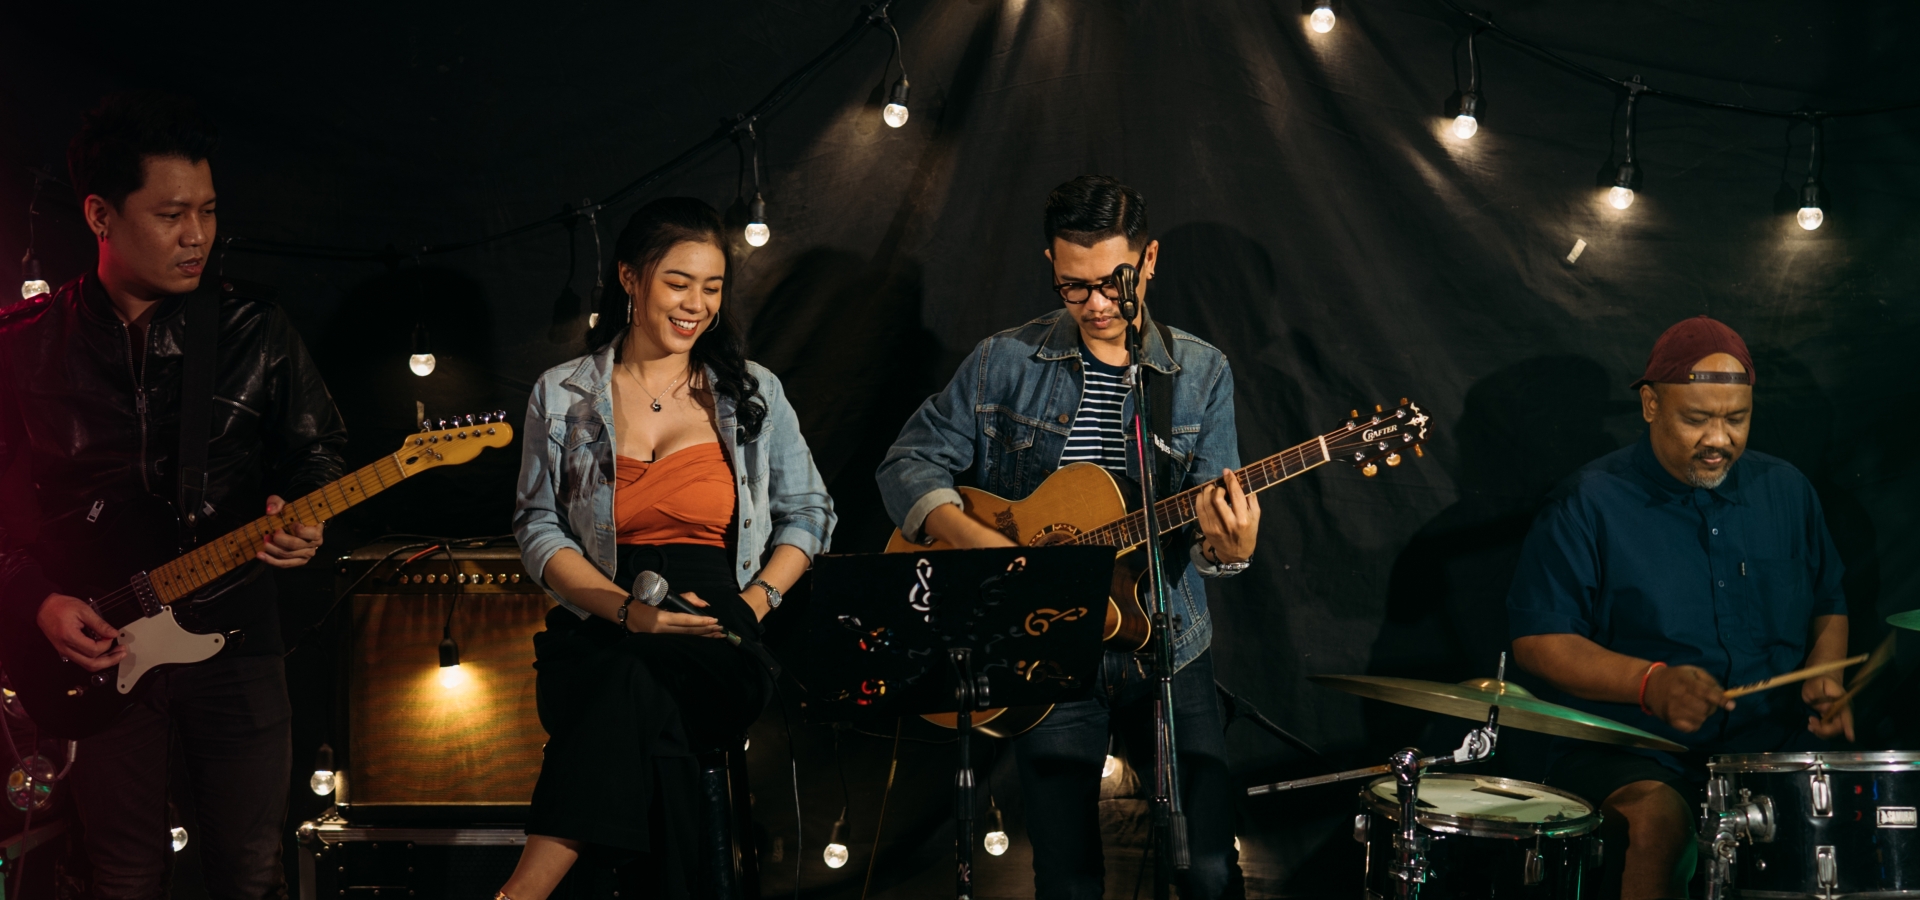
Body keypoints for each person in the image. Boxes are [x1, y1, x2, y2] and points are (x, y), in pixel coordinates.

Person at [0, 93, 346, 898]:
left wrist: (309, 517)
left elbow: (320, 451)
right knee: (119, 872)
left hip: (236, 633)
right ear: (99, 215)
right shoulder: (22, 347)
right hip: (92, 644)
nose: (198, 235)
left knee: (248, 868)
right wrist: (37, 600)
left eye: (209, 211)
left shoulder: (253, 328)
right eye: (171, 214)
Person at [876, 175, 1260, 899]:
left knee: (1207, 865)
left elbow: (1211, 532)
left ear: (1149, 261)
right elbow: (908, 460)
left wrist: (1228, 550)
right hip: (1044, 651)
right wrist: (974, 541)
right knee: (1066, 876)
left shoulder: (1202, 372)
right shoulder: (1004, 361)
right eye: (1072, 287)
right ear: (1049, 267)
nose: (1098, 305)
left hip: (1165, 645)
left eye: (1114, 283)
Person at [499, 197, 835, 899]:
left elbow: (809, 514)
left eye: (712, 288)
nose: (696, 304)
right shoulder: (561, 395)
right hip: (602, 627)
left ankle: (520, 894)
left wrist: (754, 602)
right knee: (637, 694)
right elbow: (538, 530)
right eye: (679, 282)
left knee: (631, 692)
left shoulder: (752, 393)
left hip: (720, 632)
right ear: (631, 278)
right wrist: (627, 613)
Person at [1508, 315, 1852, 900]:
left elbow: (1828, 600)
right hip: (1634, 749)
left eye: (1735, 419)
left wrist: (1826, 677)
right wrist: (1650, 684)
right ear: (1649, 405)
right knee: (1661, 825)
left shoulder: (1787, 490)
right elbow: (1540, 641)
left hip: (1769, 745)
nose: (1719, 439)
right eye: (1697, 419)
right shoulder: (1586, 502)